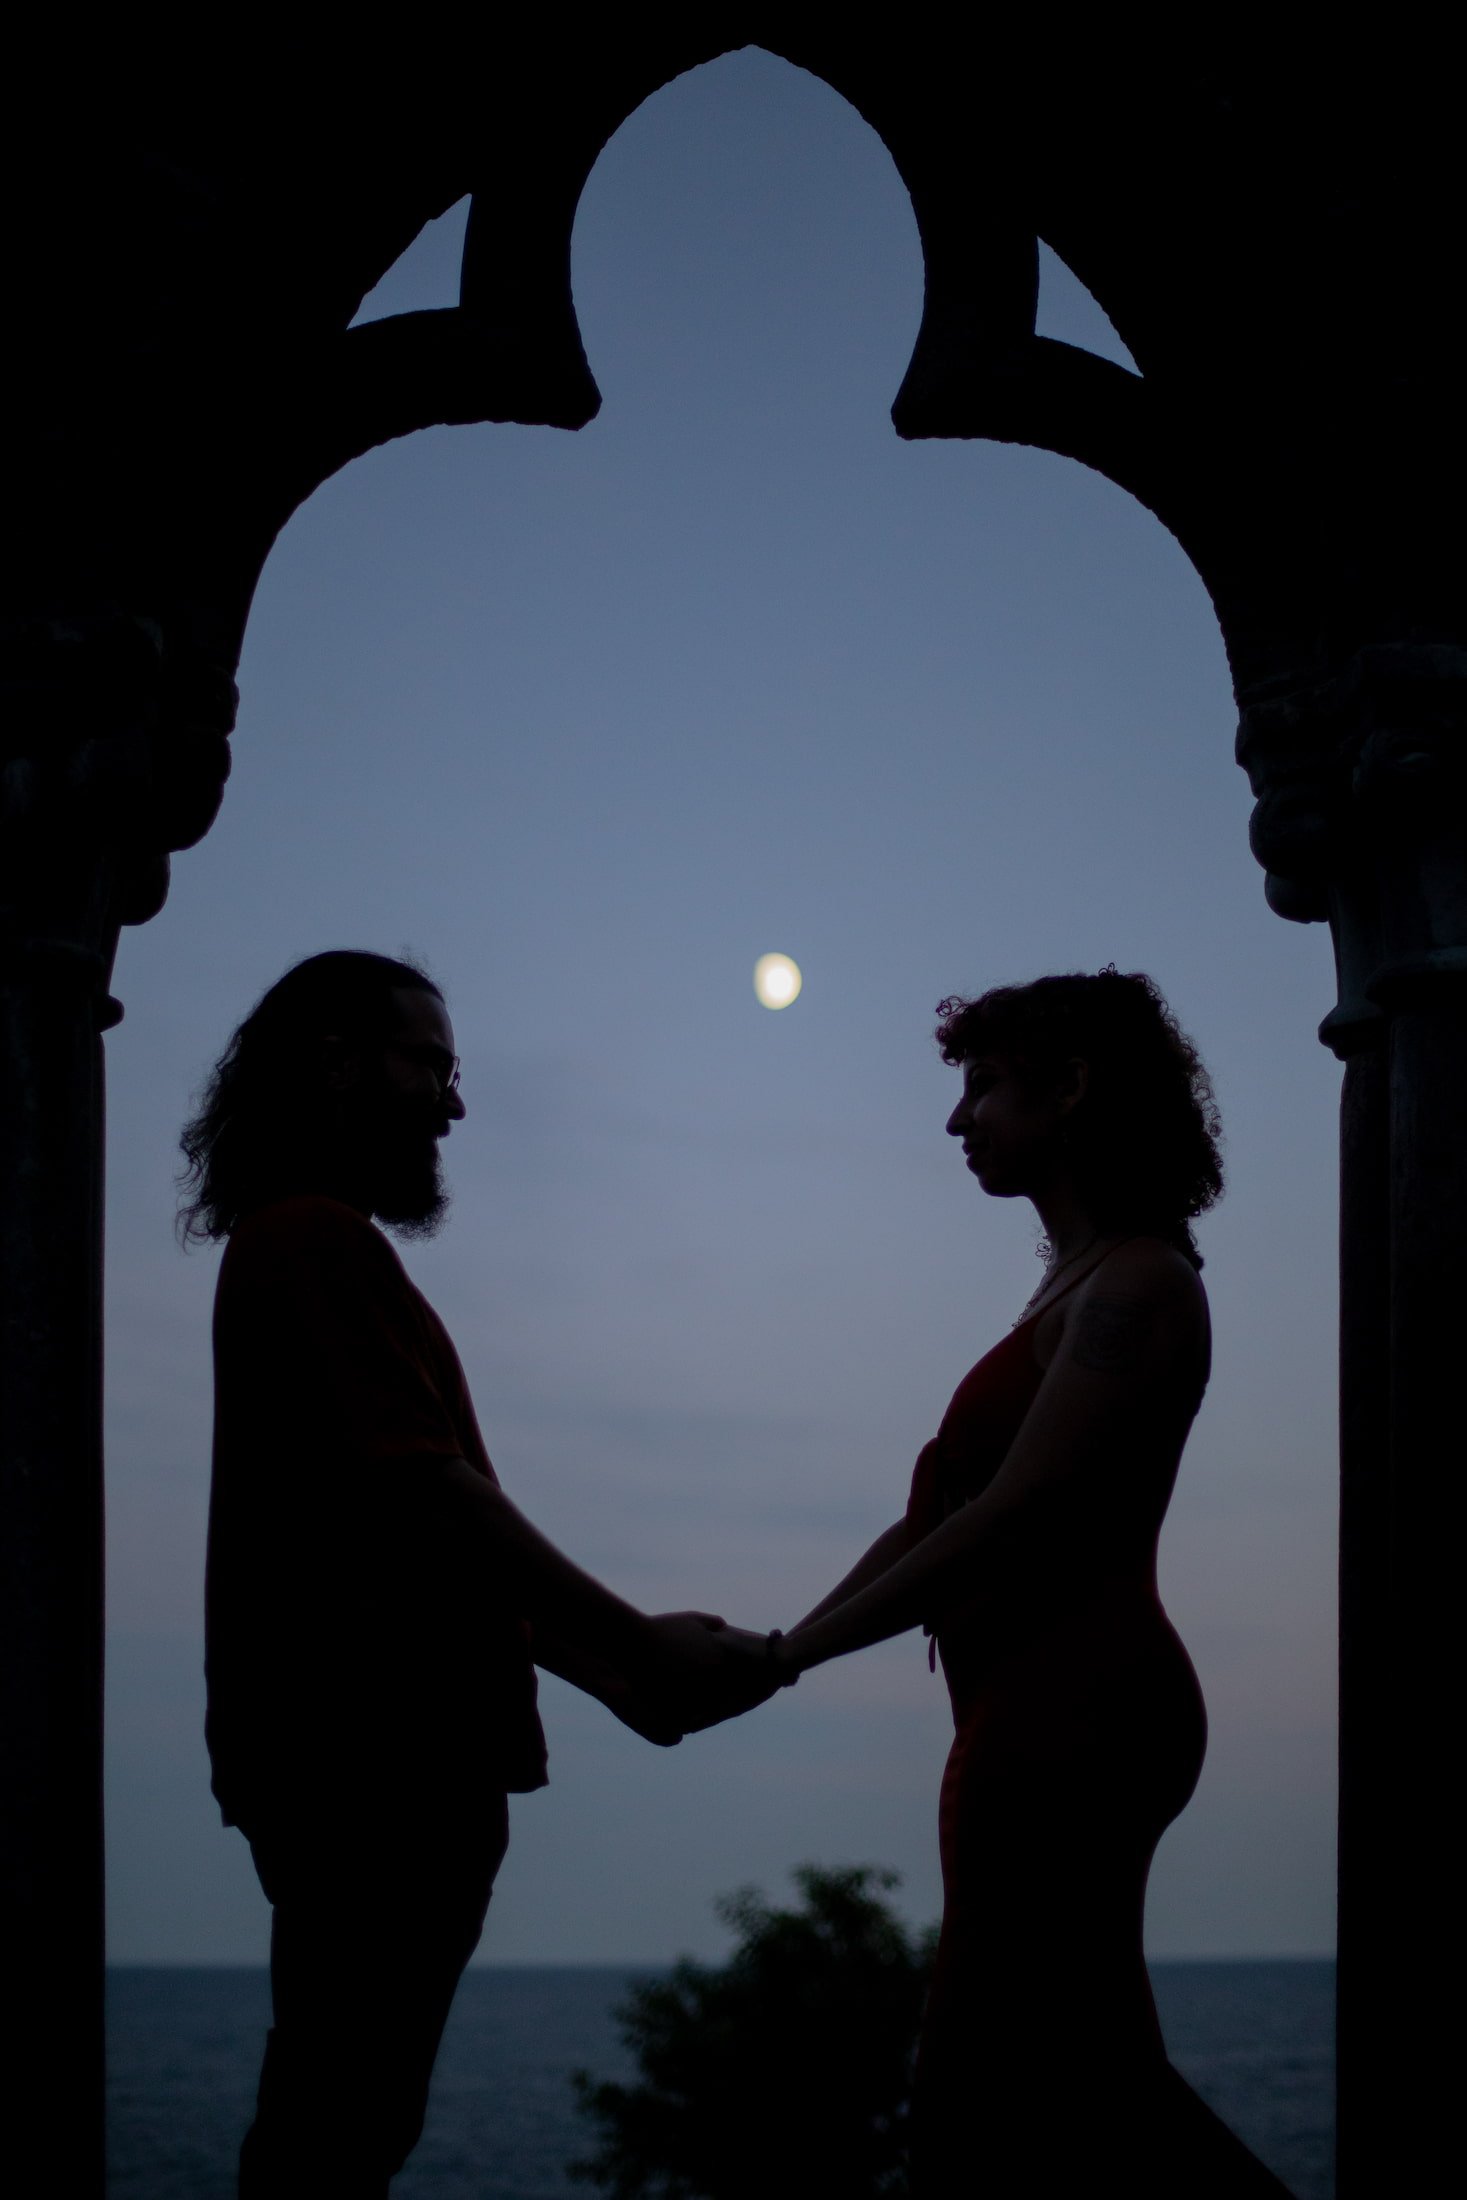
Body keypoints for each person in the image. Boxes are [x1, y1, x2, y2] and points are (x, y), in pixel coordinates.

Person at [180, 951, 769, 2198]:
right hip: (376, 1767)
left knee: (345, 2122)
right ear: (339, 1063)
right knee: (335, 2135)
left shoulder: (320, 1251)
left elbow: (421, 1535)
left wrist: (611, 1672)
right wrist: (635, 1641)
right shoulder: (310, 1242)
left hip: (376, 1766)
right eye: (433, 1066)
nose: (453, 1104)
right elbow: (427, 1493)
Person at [754, 970, 1293, 2197]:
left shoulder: (1141, 1284)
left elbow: (1015, 1516)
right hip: (1025, 1716)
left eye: (982, 1086)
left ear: (1073, 1086)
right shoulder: (1071, 1288)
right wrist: (782, 1649)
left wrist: (788, 1657)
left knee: (978, 2099)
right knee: (1084, 2076)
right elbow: (932, 1522)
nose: (959, 1121)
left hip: (1079, 1711)